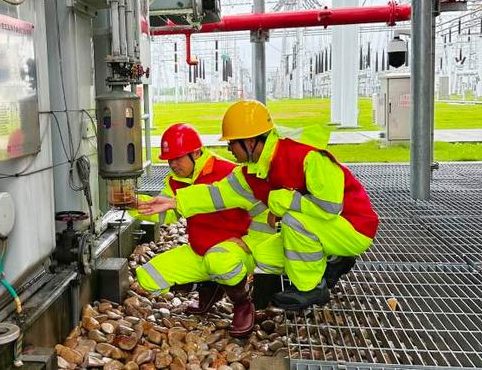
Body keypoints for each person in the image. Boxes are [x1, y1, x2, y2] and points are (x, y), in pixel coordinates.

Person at [138, 101, 379, 311]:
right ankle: (332, 261)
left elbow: (329, 208)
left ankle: (312, 288)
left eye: (233, 143)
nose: (229, 149)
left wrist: (283, 202)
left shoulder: (307, 157)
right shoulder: (254, 171)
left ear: (251, 141)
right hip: (323, 229)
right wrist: (174, 201)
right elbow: (218, 194)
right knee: (261, 256)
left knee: (295, 221)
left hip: (353, 226)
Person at [130, 123, 258, 336]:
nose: (172, 164)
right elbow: (166, 213)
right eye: (169, 159)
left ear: (197, 153)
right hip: (199, 251)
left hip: (235, 252)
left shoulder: (229, 171)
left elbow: (263, 208)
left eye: (178, 158)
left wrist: (251, 241)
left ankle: (242, 304)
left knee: (218, 261)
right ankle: (209, 287)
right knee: (148, 276)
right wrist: (134, 205)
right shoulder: (176, 181)